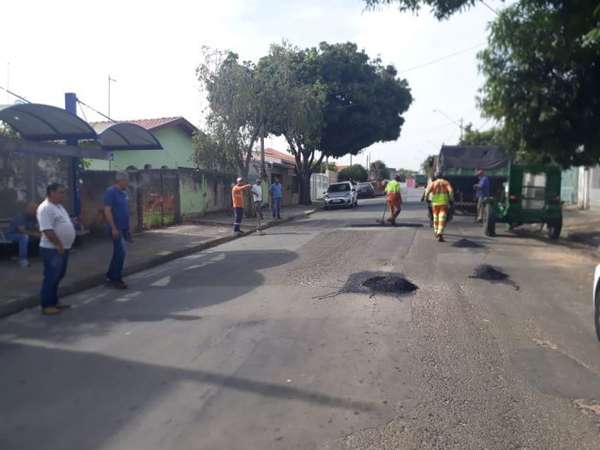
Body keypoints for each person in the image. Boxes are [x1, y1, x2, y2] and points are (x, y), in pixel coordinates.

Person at [36, 183, 76, 315]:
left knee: (59, 275)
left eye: (64, 192)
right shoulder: (45, 208)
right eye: (61, 192)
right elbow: (47, 230)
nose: (63, 195)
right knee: (51, 276)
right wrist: (58, 244)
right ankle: (47, 305)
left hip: (62, 248)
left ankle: (54, 300)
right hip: (52, 249)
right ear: (52, 193)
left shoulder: (59, 206)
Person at [104, 172, 131, 290]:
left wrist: (128, 226)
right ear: (120, 180)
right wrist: (113, 228)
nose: (127, 183)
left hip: (123, 227)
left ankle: (110, 276)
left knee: (118, 253)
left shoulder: (124, 192)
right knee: (121, 253)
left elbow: (125, 209)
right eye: (126, 181)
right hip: (116, 228)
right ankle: (116, 278)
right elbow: (107, 211)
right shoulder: (111, 192)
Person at [6, 202, 40, 267]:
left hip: (26, 235)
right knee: (24, 237)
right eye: (32, 208)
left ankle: (48, 255)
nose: (34, 210)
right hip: (12, 235)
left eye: (36, 208)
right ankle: (22, 259)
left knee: (45, 234)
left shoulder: (34, 217)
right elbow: (22, 231)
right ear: (27, 209)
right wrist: (35, 234)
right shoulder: (20, 217)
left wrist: (42, 233)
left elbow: (37, 227)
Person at [424, 171, 454, 242]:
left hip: (434, 204)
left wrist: (426, 199)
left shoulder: (433, 183)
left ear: (436, 176)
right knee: (442, 218)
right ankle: (440, 233)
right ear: (442, 176)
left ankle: (436, 231)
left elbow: (427, 192)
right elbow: (451, 191)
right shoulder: (446, 182)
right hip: (444, 203)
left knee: (435, 217)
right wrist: (451, 199)